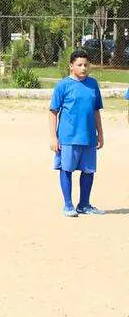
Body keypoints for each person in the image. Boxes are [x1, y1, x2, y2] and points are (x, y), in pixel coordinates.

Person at [49, 49, 104, 217]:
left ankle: (84, 204)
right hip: (68, 137)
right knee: (66, 169)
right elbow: (53, 112)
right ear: (71, 66)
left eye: (86, 65)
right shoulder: (63, 85)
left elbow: (96, 111)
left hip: (88, 137)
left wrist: (100, 134)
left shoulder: (93, 84)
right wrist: (53, 137)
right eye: (79, 65)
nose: (83, 68)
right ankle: (68, 205)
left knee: (88, 171)